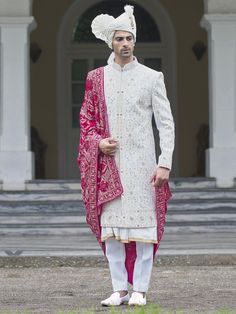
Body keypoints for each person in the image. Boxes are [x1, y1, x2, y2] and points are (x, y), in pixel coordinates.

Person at [78, 5, 175, 307]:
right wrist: (98, 143)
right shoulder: (96, 78)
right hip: (109, 168)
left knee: (144, 231)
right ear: (111, 42)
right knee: (114, 233)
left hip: (144, 165)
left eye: (129, 38)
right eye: (119, 39)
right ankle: (120, 289)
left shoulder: (151, 77)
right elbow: (86, 120)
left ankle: (140, 290)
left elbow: (166, 122)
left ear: (134, 41)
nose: (124, 44)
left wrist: (164, 162)